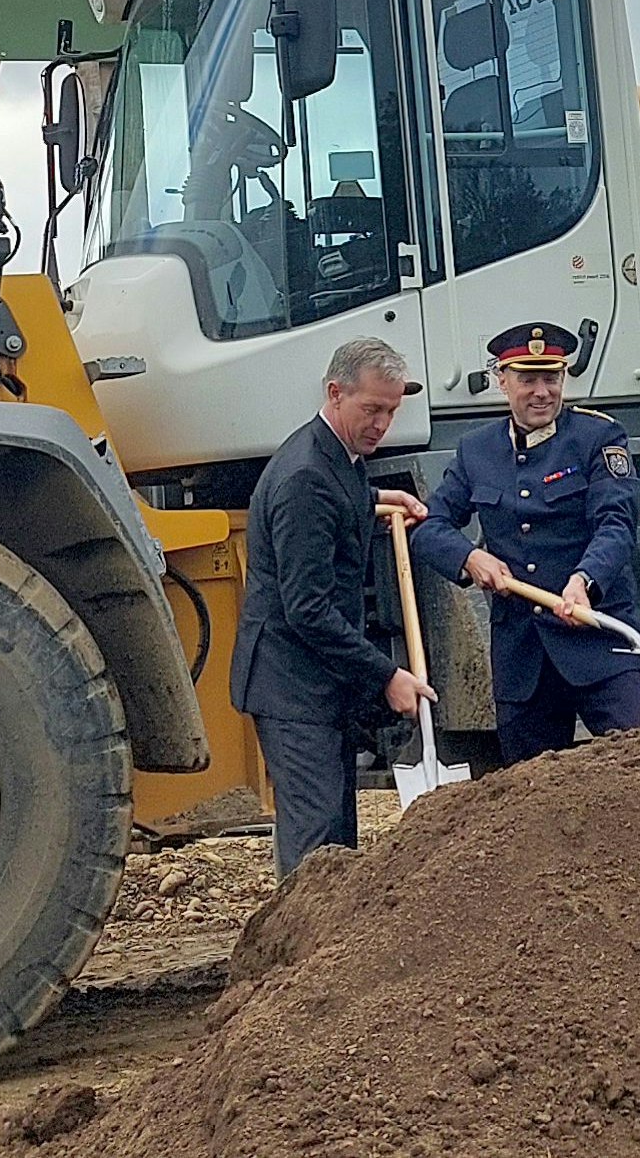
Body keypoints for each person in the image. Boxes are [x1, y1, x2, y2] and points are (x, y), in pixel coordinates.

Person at [235, 338, 436, 878]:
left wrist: (377, 502)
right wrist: (386, 674)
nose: (382, 424)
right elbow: (308, 610)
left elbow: (333, 504)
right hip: (291, 688)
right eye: (372, 409)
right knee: (316, 846)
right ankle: (303, 960)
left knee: (339, 842)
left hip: (316, 686)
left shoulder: (338, 458)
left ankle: (329, 957)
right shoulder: (305, 476)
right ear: (335, 392)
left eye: (392, 411)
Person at [410, 320, 640, 761]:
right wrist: (469, 558)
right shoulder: (476, 450)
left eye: (551, 378)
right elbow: (429, 527)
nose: (542, 391)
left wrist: (585, 581)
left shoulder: (598, 438)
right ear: (502, 382)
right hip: (524, 660)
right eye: (527, 380)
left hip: (602, 644)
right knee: (529, 798)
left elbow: (616, 524)